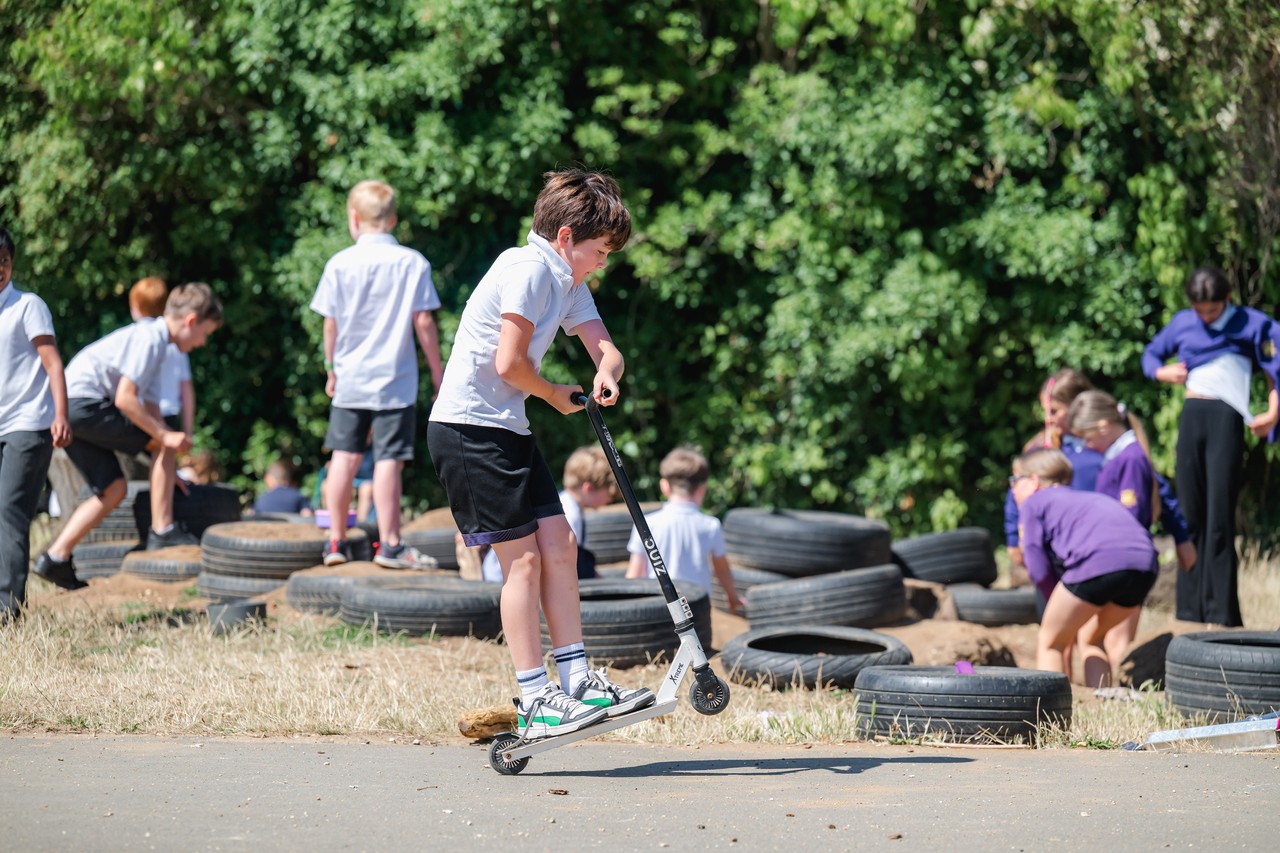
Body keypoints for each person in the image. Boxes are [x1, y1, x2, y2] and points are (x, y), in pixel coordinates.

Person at [427, 167, 654, 740]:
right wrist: (553, 393)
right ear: (565, 237)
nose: (602, 262)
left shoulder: (567, 280)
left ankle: (575, 679)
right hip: (468, 430)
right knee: (521, 562)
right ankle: (536, 695)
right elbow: (507, 364)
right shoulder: (528, 269)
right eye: (599, 250)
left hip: (506, 427)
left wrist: (607, 368)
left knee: (560, 542)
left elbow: (607, 347)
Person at [33, 282, 222, 588]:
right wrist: (165, 439)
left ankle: (55, 557)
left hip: (70, 410)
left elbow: (148, 406)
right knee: (164, 438)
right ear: (190, 322)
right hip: (85, 404)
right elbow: (126, 399)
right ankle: (163, 531)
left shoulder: (157, 342)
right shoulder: (151, 339)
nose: (202, 342)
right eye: (205, 333)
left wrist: (166, 465)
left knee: (113, 489)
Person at [310, 180, 444, 569]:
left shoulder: (339, 263)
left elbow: (329, 325)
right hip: (394, 381)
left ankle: (334, 541)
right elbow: (423, 322)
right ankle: (390, 545)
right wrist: (437, 372)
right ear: (394, 219)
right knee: (389, 460)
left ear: (354, 218)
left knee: (343, 457)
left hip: (351, 379)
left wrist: (331, 368)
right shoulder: (413, 262)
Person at [1142, 264, 1280, 627]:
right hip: (1192, 415)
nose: (1205, 317)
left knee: (1219, 514)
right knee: (1189, 513)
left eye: (1213, 310)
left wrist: (1273, 410)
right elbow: (1150, 356)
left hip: (1227, 419)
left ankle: (1222, 613)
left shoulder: (1252, 323)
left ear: (1227, 299)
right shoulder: (1183, 323)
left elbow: (1274, 366)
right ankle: (1189, 609)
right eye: (1199, 310)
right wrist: (1161, 372)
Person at [1012, 448, 1159, 688]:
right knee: (1092, 638)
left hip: (1098, 562)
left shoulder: (1034, 502)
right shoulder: (1089, 499)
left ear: (1034, 481)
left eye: (1015, 480)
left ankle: (1050, 720)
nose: (1013, 488)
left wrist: (1056, 602)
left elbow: (1037, 567)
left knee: (1051, 641)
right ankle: (1103, 706)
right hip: (1145, 565)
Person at [0, 227, 72, 618]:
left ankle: (7, 608)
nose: (0, 269)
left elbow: (52, 363)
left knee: (8, 510)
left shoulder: (28, 306)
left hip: (28, 423)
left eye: (5, 261)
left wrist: (60, 414)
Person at [624, 446, 744, 613]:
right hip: (697, 607)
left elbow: (635, 574)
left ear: (664, 486)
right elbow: (721, 568)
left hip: (658, 606)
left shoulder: (647, 524)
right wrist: (733, 597)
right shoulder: (711, 525)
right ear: (702, 488)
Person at [480, 445, 617, 583]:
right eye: (608, 494)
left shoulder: (565, 503)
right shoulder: (569, 512)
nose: (609, 499)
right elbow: (561, 557)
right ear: (588, 488)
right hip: (505, 575)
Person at [129, 277, 196, 436]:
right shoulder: (176, 342)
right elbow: (186, 388)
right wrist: (188, 429)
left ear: (136, 306)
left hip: (138, 414)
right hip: (169, 415)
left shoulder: (134, 337)